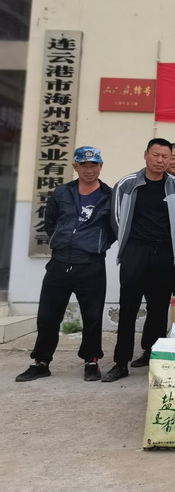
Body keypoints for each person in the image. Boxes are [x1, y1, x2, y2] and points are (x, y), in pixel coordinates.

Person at [15, 147, 116, 383]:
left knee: (92, 316)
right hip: (59, 262)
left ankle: (91, 361)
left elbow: (114, 228)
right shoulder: (62, 192)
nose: (89, 170)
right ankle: (41, 362)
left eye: (94, 165)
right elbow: (50, 221)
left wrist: (97, 245)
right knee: (48, 316)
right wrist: (61, 242)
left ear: (101, 166)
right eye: (84, 165)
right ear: (75, 167)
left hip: (91, 264)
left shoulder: (109, 196)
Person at [102, 138, 175, 382]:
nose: (160, 160)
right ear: (146, 155)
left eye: (165, 156)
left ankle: (152, 354)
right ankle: (121, 362)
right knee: (128, 308)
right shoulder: (127, 183)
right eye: (156, 155)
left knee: (159, 309)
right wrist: (129, 245)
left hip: (163, 252)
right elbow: (116, 218)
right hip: (135, 251)